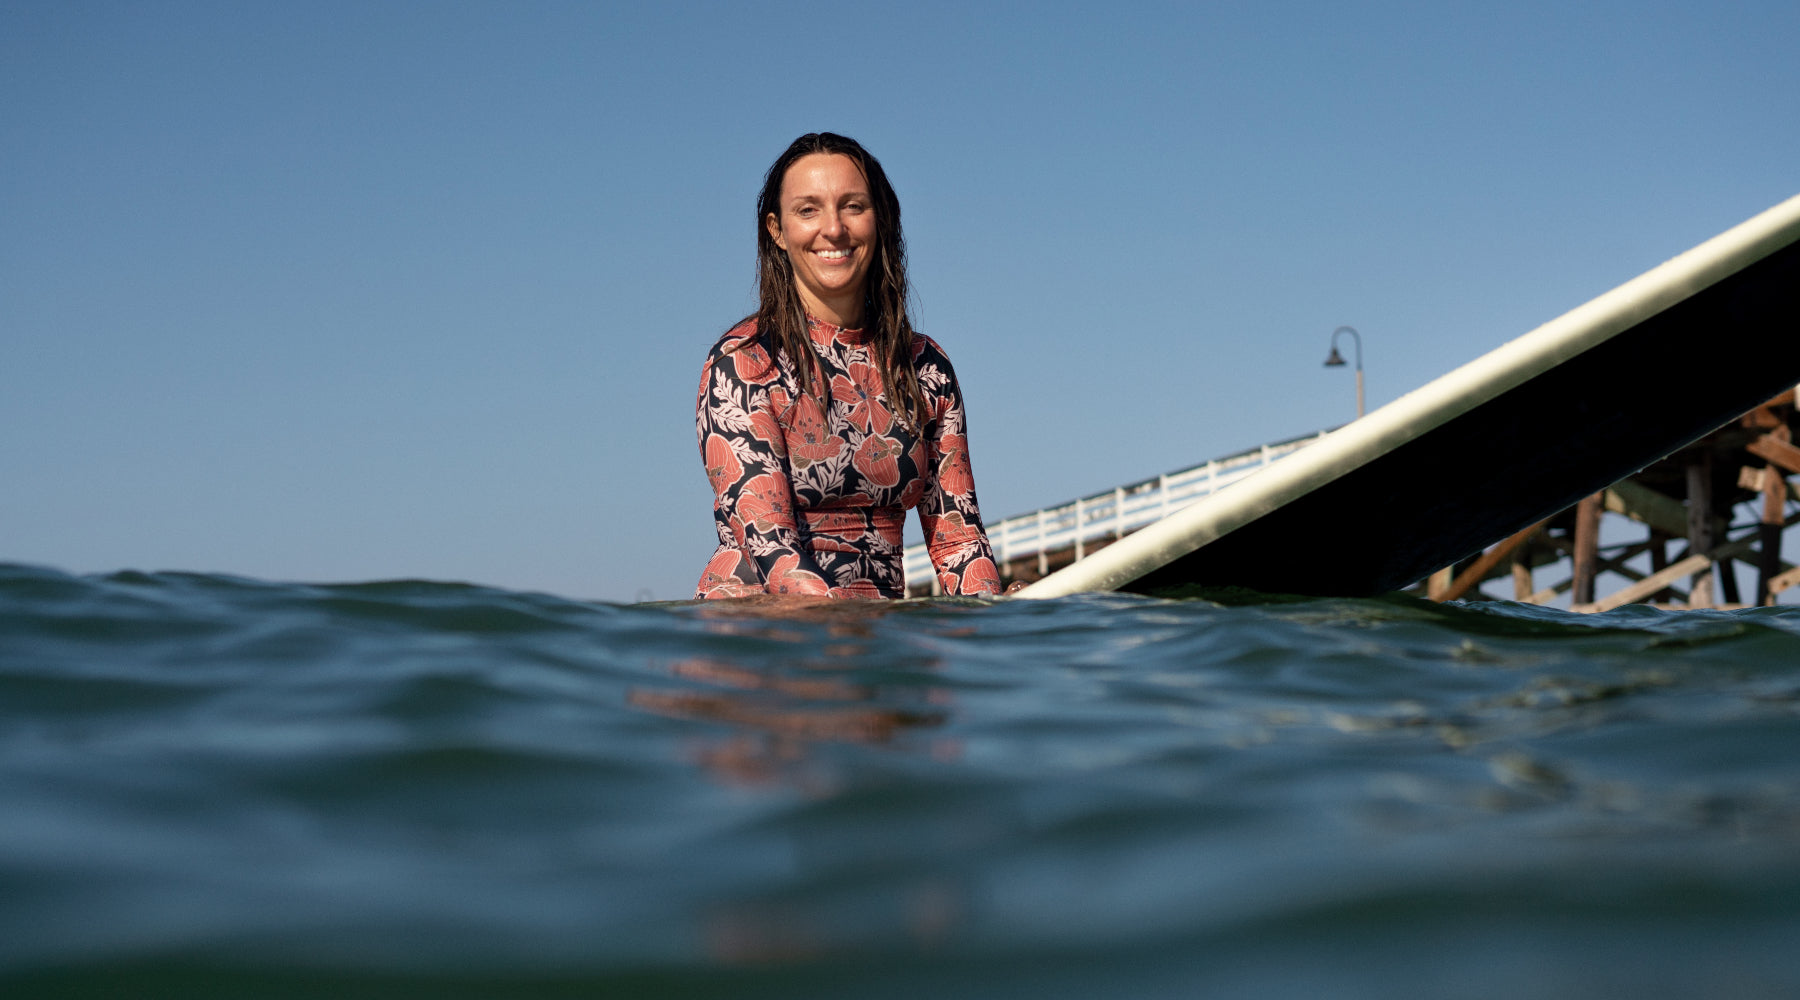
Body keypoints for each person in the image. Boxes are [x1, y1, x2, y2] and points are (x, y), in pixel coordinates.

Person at [693, 132, 1003, 600]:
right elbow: (771, 547)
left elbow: (958, 539)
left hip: (876, 647)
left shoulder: (925, 368)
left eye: (853, 206)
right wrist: (845, 635)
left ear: (880, 220)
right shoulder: (743, 363)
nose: (834, 229)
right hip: (760, 639)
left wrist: (997, 615)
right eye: (808, 209)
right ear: (777, 231)